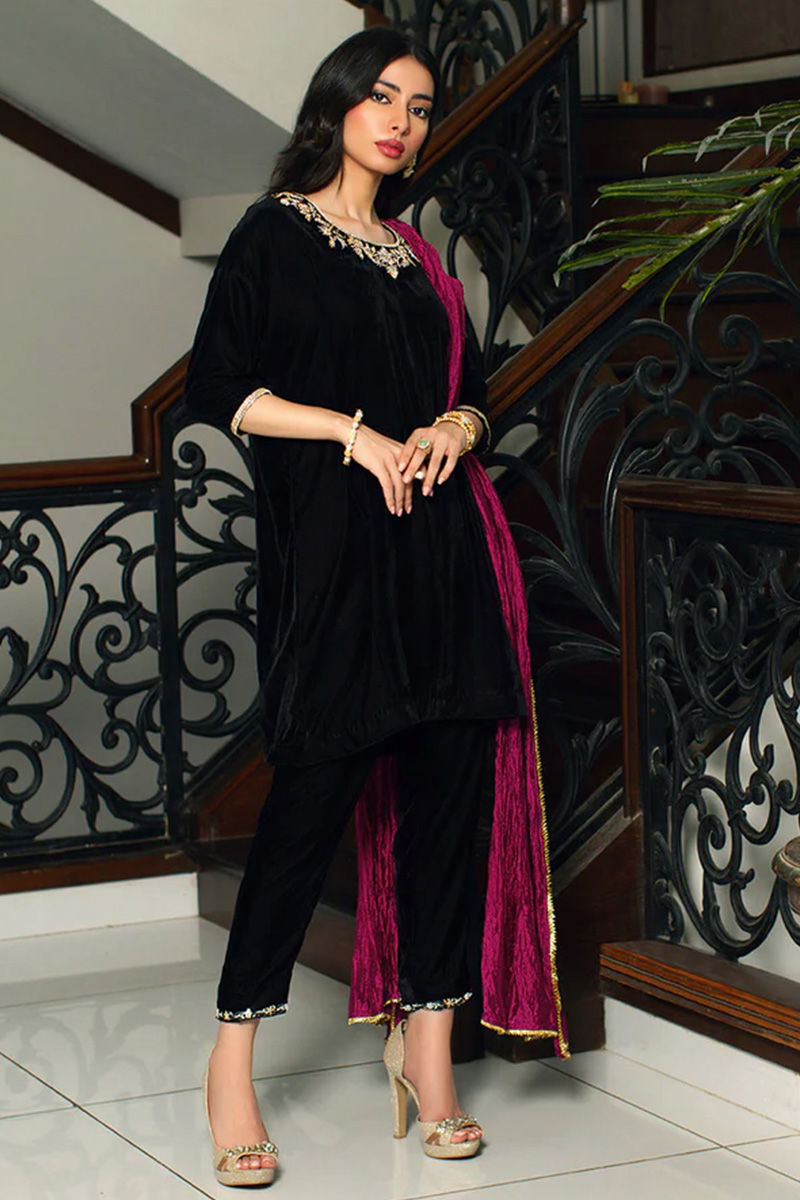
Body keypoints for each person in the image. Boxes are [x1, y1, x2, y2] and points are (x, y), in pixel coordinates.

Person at [184, 25, 567, 1189]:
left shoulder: (417, 256)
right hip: (338, 560)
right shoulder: (273, 234)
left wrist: (454, 426)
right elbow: (222, 389)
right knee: (307, 805)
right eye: (381, 98)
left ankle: (429, 1055)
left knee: (450, 809)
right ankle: (231, 1064)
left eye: (420, 105)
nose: (400, 121)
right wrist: (351, 435)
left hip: (444, 556)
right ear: (337, 106)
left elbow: (473, 395)